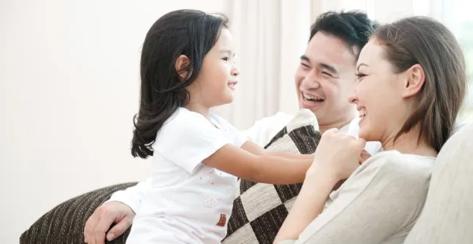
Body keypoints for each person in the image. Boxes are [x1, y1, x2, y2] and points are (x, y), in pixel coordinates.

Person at [83, 11, 380, 243]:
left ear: (360, 79)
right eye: (226, 58)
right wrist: (327, 164)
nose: (309, 80)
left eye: (326, 72)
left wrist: (329, 160)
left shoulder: (214, 125)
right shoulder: (188, 127)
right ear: (185, 68)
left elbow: (264, 158)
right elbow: (257, 168)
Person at [275, 16, 466, 244]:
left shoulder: (393, 172)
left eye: (362, 75)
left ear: (411, 80)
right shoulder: (412, 169)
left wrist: (322, 171)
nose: (352, 95)